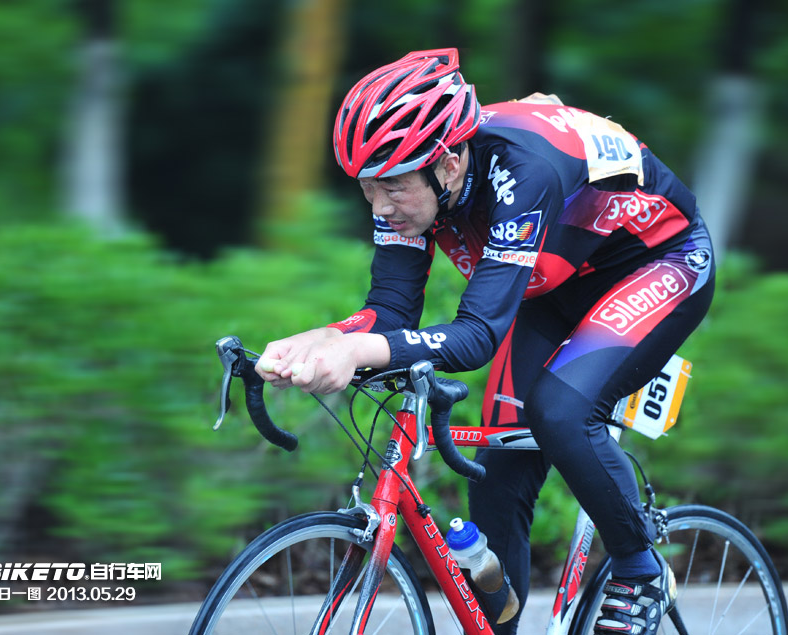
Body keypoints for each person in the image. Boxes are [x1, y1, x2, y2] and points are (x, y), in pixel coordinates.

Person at [256, 48, 714, 635]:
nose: (379, 205)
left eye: (392, 188)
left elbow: (476, 337)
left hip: (659, 263)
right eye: (367, 189)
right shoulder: (414, 186)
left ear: (446, 165)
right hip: (555, 283)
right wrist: (325, 337)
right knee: (498, 478)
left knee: (563, 411)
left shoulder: (524, 172)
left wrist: (359, 352)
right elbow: (391, 311)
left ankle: (640, 567)